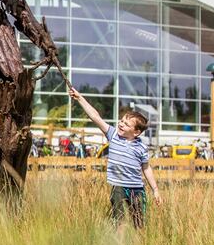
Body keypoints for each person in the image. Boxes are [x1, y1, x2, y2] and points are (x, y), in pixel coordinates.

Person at [69, 87, 162, 229]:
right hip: (118, 187)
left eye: (126, 124)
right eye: (121, 120)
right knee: (119, 221)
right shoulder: (113, 135)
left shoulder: (141, 148)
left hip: (137, 189)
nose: (121, 124)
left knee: (139, 224)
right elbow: (95, 117)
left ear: (136, 132)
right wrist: (80, 98)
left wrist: (155, 189)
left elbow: (146, 168)